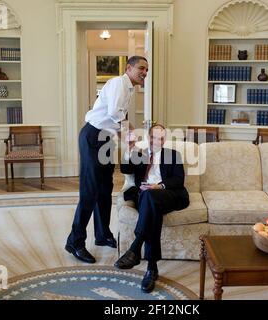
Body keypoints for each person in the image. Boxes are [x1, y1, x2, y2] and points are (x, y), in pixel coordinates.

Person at [65, 56, 149, 264]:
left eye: (147, 70)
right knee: (90, 191)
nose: (144, 73)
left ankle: (102, 235)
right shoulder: (117, 83)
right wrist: (129, 132)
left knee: (104, 188)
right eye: (141, 68)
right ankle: (75, 241)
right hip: (93, 136)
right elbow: (114, 114)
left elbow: (117, 120)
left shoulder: (129, 88)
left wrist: (129, 143)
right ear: (129, 68)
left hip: (105, 139)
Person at [114, 124, 190, 293]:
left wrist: (159, 186)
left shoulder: (173, 155)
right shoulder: (140, 155)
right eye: (154, 137)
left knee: (150, 197)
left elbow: (178, 180)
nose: (158, 141)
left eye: (161, 138)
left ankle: (135, 249)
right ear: (149, 138)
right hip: (145, 197)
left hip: (167, 194)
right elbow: (125, 169)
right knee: (150, 206)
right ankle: (151, 268)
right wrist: (128, 150)